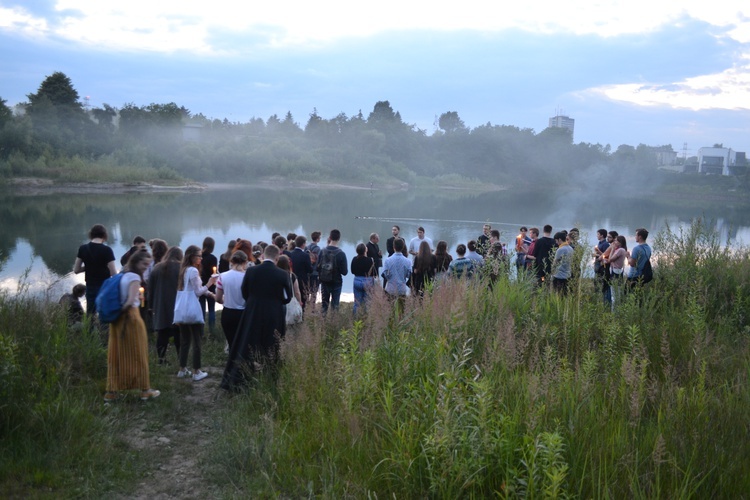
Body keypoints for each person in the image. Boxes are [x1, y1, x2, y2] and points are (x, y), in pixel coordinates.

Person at [220, 244, 292, 391]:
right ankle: (271, 377)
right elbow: (287, 297)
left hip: (253, 312)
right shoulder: (282, 274)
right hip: (273, 313)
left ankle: (239, 378)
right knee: (273, 344)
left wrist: (253, 302)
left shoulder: (251, 271)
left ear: (264, 256)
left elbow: (244, 291)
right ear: (277, 258)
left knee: (246, 343)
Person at [104, 249, 160, 403]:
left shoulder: (122, 274)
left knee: (116, 354)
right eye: (144, 264)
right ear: (136, 262)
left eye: (148, 265)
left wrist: (116, 314)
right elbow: (129, 301)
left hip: (116, 320)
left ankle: (111, 392)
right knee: (138, 352)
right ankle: (145, 390)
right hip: (131, 317)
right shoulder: (135, 277)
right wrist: (125, 309)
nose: (145, 268)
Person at [175, 245, 217, 382]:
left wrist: (210, 294)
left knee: (185, 340)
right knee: (197, 341)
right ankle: (196, 371)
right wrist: (210, 283)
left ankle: (182, 369)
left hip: (182, 309)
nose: (201, 258)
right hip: (192, 311)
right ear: (192, 256)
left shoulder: (184, 270)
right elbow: (198, 292)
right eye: (198, 256)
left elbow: (194, 289)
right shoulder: (193, 270)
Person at [148, 246, 183, 365]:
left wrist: (150, 305)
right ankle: (181, 359)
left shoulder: (157, 268)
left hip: (160, 305)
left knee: (162, 333)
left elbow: (150, 288)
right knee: (179, 332)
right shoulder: (181, 268)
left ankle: (161, 359)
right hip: (177, 304)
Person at [74, 224, 117, 317]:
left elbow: (76, 270)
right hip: (104, 286)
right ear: (104, 235)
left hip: (90, 286)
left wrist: (88, 266)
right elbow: (114, 273)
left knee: (90, 314)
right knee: (105, 313)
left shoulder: (83, 248)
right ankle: (104, 331)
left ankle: (89, 331)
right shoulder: (107, 250)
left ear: (91, 234)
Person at [215, 250, 249, 352]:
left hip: (228, 313)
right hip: (243, 313)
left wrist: (225, 299)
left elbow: (218, 298)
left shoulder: (223, 276)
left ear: (231, 261)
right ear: (245, 262)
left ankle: (232, 364)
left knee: (231, 342)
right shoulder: (248, 276)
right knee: (243, 342)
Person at [317, 229, 348, 315]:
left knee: (324, 305)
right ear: (339, 239)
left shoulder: (322, 251)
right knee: (335, 305)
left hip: (324, 281)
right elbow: (344, 272)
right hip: (336, 282)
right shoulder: (341, 254)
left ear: (330, 237)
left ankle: (323, 325)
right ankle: (333, 324)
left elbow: (317, 267)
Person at [383, 238, 412, 311]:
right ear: (403, 247)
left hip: (391, 289)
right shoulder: (408, 261)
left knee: (390, 311)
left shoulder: (388, 260)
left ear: (394, 247)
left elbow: (386, 275)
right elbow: (409, 275)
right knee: (401, 311)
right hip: (402, 289)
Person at [289, 235, 314, 311]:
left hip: (292, 279)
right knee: (303, 299)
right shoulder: (305, 255)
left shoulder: (290, 254)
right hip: (303, 280)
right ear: (303, 244)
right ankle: (301, 314)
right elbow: (310, 270)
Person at [199, 236, 218, 335]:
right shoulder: (213, 258)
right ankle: (212, 331)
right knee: (211, 310)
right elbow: (213, 273)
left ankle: (201, 332)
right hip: (211, 286)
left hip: (200, 285)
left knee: (201, 310)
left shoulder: (199, 257)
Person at [277, 254, 303, 324]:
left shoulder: (275, 274)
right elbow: (297, 291)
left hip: (278, 302)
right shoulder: (292, 275)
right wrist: (299, 301)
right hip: (290, 300)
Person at [351, 243, 376, 314]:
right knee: (367, 302)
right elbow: (373, 273)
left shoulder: (354, 259)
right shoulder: (370, 260)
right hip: (367, 281)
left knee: (357, 303)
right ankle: (366, 318)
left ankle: (355, 317)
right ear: (365, 250)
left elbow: (352, 271)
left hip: (357, 281)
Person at [603, 235, 628, 305]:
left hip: (615, 272)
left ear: (620, 243)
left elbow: (610, 259)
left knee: (614, 293)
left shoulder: (620, 250)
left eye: (616, 240)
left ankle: (614, 312)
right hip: (618, 271)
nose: (614, 242)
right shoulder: (622, 250)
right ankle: (616, 309)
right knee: (617, 292)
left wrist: (613, 249)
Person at [307, 231, 322, 309]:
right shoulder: (318, 249)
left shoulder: (307, 247)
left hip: (307, 273)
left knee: (307, 291)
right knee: (314, 292)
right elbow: (318, 260)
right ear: (317, 239)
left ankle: (306, 308)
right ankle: (312, 308)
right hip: (315, 273)